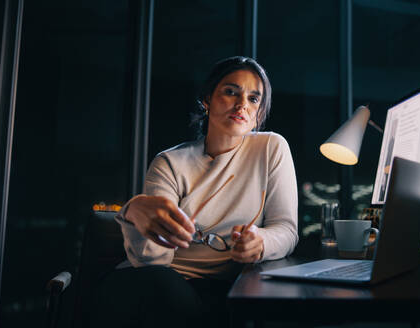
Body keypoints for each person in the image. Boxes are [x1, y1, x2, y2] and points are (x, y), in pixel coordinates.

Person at [91, 56, 298, 327]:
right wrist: (135, 212)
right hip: (162, 283)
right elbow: (155, 261)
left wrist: (262, 243)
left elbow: (286, 229)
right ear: (207, 100)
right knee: (164, 288)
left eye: (253, 99)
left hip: (229, 288)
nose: (242, 105)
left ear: (259, 113)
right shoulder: (169, 162)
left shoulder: (272, 148)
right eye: (231, 92)